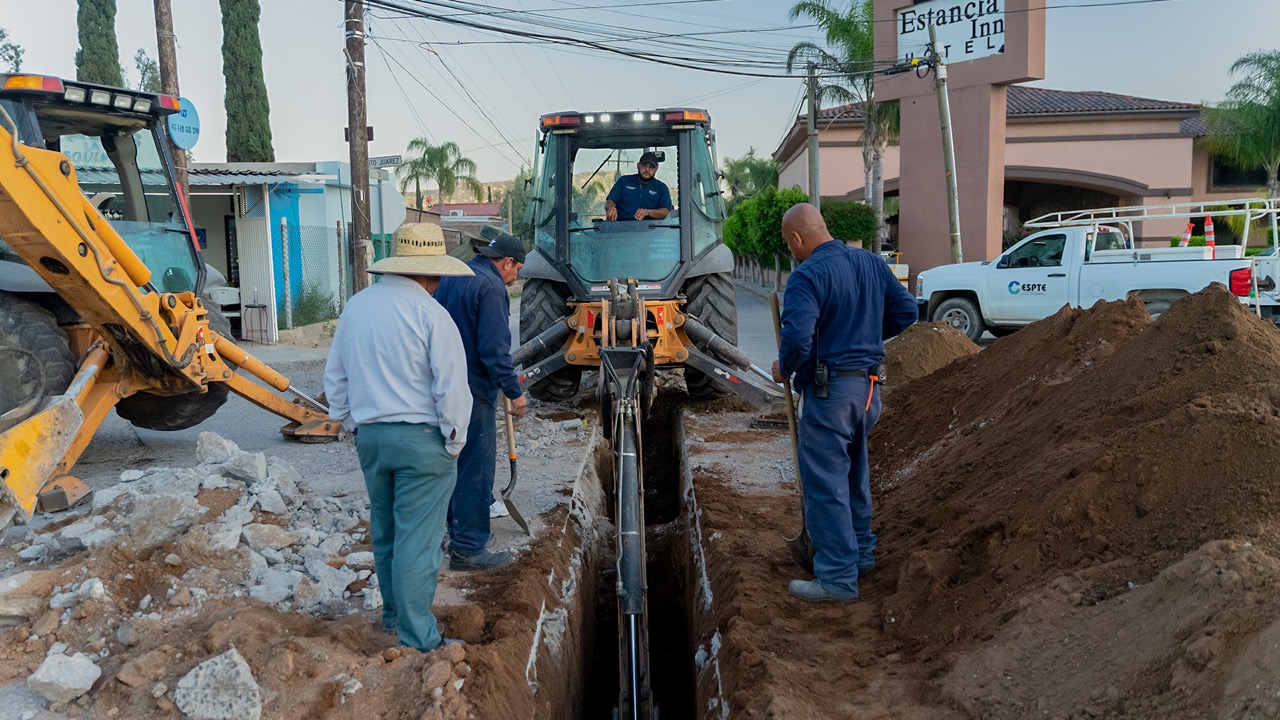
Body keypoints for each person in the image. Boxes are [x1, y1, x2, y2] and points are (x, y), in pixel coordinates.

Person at [324, 223, 474, 651]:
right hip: (422, 440)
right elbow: (451, 388)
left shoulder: (357, 306)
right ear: (432, 274)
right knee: (418, 542)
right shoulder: (431, 314)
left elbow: (336, 376)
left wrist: (352, 422)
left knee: (387, 531)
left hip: (371, 437)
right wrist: (454, 441)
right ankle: (419, 638)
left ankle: (393, 618)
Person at [771, 203, 917, 603]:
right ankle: (862, 554)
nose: (791, 250)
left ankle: (836, 576)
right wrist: (865, 337)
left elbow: (799, 339)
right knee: (854, 473)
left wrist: (784, 367)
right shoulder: (870, 262)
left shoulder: (807, 276)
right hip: (868, 390)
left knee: (825, 482)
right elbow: (906, 311)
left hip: (829, 392)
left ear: (798, 239)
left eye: (789, 243)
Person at [435, 233, 529, 571]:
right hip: (474, 391)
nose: (515, 276)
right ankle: (469, 547)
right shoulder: (490, 288)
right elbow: (494, 350)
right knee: (477, 468)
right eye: (516, 268)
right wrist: (514, 392)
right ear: (506, 263)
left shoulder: (453, 276)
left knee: (452, 462)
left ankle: (454, 529)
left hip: (442, 387)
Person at [605, 151, 673, 222]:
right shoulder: (623, 181)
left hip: (650, 231)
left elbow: (666, 212)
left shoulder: (661, 188)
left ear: (656, 168)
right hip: (620, 228)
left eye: (651, 166)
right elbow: (609, 202)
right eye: (644, 165)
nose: (647, 169)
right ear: (638, 165)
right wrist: (611, 208)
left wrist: (648, 212)